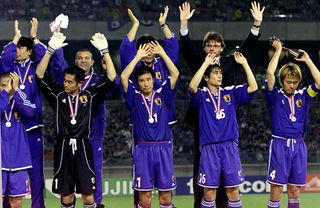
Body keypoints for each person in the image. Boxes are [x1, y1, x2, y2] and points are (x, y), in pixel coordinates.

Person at [179, 2, 265, 207]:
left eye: (216, 45)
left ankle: (225, 203)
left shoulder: (229, 62)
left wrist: (256, 25)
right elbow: (187, 48)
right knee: (203, 167)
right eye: (209, 45)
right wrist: (183, 24)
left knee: (229, 178)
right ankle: (201, 203)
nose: (212, 48)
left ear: (222, 48)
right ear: (205, 48)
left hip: (226, 117)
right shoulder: (200, 62)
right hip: (203, 120)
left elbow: (246, 48)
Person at [35, 32, 117, 208]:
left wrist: (105, 51)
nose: (66, 84)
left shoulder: (90, 95)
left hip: (83, 146)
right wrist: (49, 50)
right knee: (66, 196)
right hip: (63, 147)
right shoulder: (58, 96)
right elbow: (40, 76)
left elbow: (111, 78)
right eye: (65, 81)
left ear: (79, 83)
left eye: (70, 82)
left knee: (88, 197)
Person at [120, 7, 179, 207]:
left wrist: (163, 26)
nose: (148, 50)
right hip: (142, 137)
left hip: (164, 134)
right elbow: (125, 59)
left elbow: (173, 50)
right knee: (144, 196)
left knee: (165, 195)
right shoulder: (135, 76)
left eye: (151, 47)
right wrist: (135, 27)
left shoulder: (162, 70)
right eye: (143, 47)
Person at [188, 52, 258, 208]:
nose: (219, 76)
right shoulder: (201, 95)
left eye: (220, 73)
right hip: (208, 149)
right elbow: (192, 87)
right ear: (206, 78)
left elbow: (253, 87)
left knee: (233, 192)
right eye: (215, 73)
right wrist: (205, 64)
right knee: (209, 193)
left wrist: (245, 64)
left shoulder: (230, 93)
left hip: (229, 147)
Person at [265, 39, 320, 208]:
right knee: (276, 190)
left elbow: (319, 82)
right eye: (288, 82)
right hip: (280, 143)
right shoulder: (275, 96)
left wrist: (308, 60)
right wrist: (278, 50)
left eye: (295, 82)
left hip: (299, 145)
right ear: (282, 81)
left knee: (295, 190)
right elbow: (269, 73)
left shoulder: (303, 95)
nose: (292, 85)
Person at [0, 18, 46, 208]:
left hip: (32, 126)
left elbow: (47, 58)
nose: (17, 50)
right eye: (15, 48)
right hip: (11, 128)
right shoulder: (8, 68)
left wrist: (34, 37)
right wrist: (15, 38)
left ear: (28, 51)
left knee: (36, 176)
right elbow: (3, 60)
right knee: (5, 177)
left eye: (20, 47)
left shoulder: (36, 68)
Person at [0, 72, 36, 208]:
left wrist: (17, 90)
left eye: (10, 83)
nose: (7, 87)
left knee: (16, 201)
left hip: (19, 161)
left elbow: (30, 111)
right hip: (0, 161)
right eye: (3, 85)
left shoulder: (20, 100)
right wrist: (5, 93)